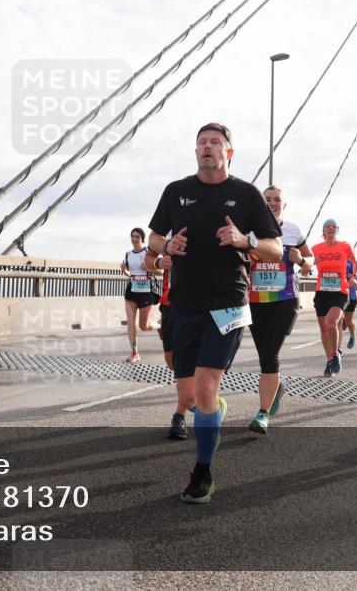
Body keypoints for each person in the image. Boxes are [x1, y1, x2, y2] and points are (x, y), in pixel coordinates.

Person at [148, 122, 282, 504]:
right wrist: (167, 244)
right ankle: (214, 409)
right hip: (185, 305)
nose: (208, 148)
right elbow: (154, 238)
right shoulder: (177, 192)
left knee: (206, 386)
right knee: (192, 399)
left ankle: (202, 473)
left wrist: (245, 240)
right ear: (195, 152)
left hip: (228, 302)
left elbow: (272, 248)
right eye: (202, 143)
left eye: (215, 143)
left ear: (229, 152)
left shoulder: (245, 194)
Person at [246, 185, 312, 434]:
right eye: (268, 200)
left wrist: (302, 261)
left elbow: (310, 260)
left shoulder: (293, 230)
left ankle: (262, 413)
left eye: (277, 199)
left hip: (285, 300)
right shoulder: (250, 230)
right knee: (264, 354)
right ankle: (277, 386)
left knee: (269, 355)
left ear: (285, 204)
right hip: (255, 301)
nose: (272, 203)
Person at [143, 245, 190, 439]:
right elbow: (148, 258)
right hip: (170, 306)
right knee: (172, 363)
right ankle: (199, 399)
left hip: (198, 305)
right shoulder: (168, 233)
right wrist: (158, 262)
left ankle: (180, 415)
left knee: (187, 364)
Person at [311, 220, 357, 377]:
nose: (330, 230)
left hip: (340, 292)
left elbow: (354, 261)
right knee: (324, 331)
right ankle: (329, 359)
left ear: (337, 231)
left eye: (333, 228)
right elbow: (309, 263)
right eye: (327, 228)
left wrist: (354, 277)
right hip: (321, 292)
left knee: (331, 324)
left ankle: (336, 354)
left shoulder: (344, 246)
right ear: (323, 232)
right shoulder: (316, 248)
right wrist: (306, 267)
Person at [120, 228, 157, 362]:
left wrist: (148, 268)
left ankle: (160, 325)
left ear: (142, 239)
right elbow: (131, 273)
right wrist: (125, 271)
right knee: (130, 323)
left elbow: (159, 271)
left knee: (144, 326)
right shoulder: (128, 254)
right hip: (131, 290)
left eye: (137, 237)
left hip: (145, 291)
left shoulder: (148, 252)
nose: (134, 239)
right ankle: (135, 353)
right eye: (132, 236)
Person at [341, 259, 357, 350]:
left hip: (350, 296)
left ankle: (352, 336)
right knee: (336, 322)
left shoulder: (351, 262)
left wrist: (352, 277)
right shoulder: (331, 259)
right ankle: (337, 348)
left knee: (348, 321)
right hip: (335, 295)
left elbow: (355, 277)